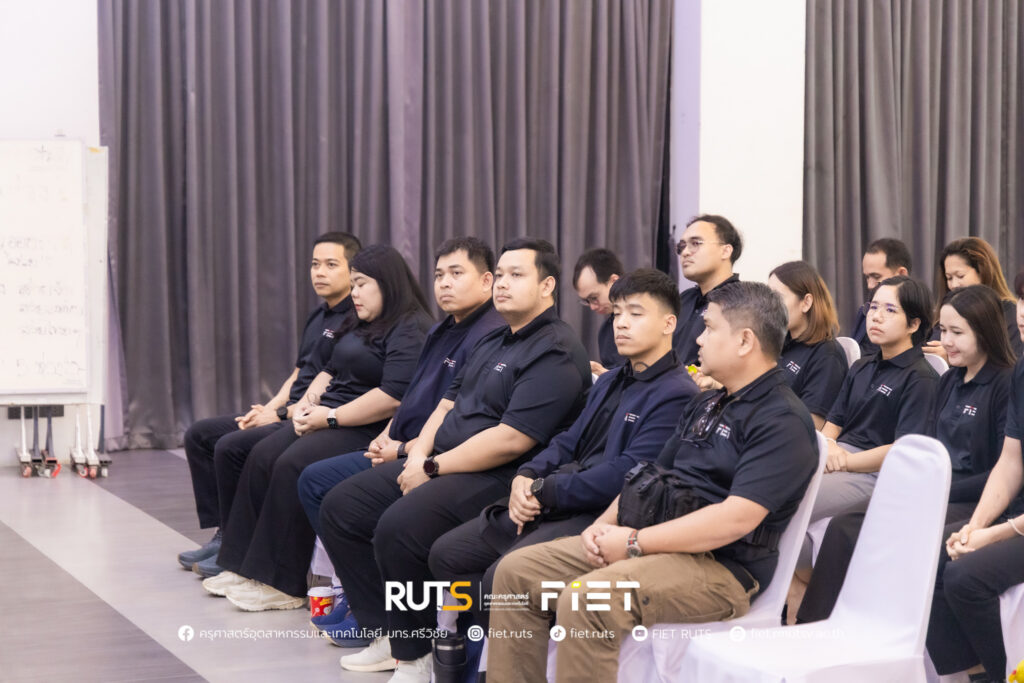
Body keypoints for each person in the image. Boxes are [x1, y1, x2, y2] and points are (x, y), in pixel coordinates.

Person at [487, 282, 819, 683]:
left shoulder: (782, 420)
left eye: (710, 328)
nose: (698, 339)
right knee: (516, 573)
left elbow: (736, 519)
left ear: (745, 341)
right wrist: (602, 528)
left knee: (588, 598)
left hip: (722, 568)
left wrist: (633, 542)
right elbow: (646, 473)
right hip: (653, 540)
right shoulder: (707, 402)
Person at [320, 238, 591, 682]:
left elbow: (511, 440)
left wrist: (431, 468)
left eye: (516, 275)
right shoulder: (494, 338)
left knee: (399, 526)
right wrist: (418, 454)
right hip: (442, 459)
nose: (503, 283)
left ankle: (417, 655)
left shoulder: (555, 349)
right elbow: (447, 403)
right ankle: (389, 631)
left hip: (499, 475)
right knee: (342, 505)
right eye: (500, 275)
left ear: (547, 286)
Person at [428, 269, 698, 638]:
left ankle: (520, 652)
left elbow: (627, 473)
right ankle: (487, 643)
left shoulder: (677, 393)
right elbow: (568, 439)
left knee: (500, 579)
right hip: (557, 497)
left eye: (635, 314)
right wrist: (526, 475)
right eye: (617, 313)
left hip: (600, 513)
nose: (621, 323)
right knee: (447, 554)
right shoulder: (611, 379)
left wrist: (545, 490)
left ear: (668, 323)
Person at [295, 237, 504, 642]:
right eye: (439, 275)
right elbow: (413, 399)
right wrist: (385, 437)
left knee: (335, 495)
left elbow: (458, 416)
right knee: (314, 479)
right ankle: (363, 599)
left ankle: (379, 620)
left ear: (486, 281)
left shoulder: (486, 334)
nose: (444, 283)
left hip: (438, 457)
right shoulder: (444, 328)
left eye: (456, 273)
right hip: (405, 444)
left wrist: (406, 450)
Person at [202, 245, 433, 610]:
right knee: (261, 453)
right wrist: (305, 406)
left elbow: (392, 397)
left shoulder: (410, 328)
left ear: (387, 283)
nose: (354, 293)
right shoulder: (361, 319)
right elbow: (329, 368)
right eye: (353, 285)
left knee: (292, 464)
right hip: (330, 414)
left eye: (361, 284)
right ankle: (244, 566)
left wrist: (330, 416)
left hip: (364, 425)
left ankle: (283, 583)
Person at [796, 284, 1018, 626]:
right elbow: (923, 448)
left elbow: (1001, 471)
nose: (946, 342)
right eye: (944, 330)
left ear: (985, 332)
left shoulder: (1003, 384)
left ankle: (880, 628)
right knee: (846, 525)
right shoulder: (951, 381)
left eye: (957, 333)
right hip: (932, 487)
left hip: (972, 496)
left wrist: (936, 488)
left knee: (898, 532)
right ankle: (816, 625)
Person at [177, 231, 361, 572]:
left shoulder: (356, 319)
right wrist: (269, 407)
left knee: (231, 447)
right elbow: (299, 371)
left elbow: (335, 383)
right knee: (200, 435)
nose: (319, 272)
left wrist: (280, 414)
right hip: (286, 409)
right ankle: (224, 533)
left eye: (331, 265)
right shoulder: (318, 316)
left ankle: (238, 545)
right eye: (315, 264)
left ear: (352, 271)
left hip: (308, 416)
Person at [786, 276, 939, 621]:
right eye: (873, 307)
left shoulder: (920, 378)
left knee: (789, 498)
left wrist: (843, 462)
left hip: (876, 473)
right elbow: (833, 424)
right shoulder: (862, 365)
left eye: (890, 310)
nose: (876, 317)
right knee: (773, 488)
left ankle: (806, 593)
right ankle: (802, 584)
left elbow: (903, 450)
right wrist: (829, 447)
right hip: (838, 458)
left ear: (914, 324)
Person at [926, 270, 1024, 683]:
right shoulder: (1022, 373)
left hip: (1015, 523)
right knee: (937, 553)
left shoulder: (1003, 378)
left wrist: (992, 533)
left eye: (957, 332)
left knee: (964, 576)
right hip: (1012, 515)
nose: (1023, 313)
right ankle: (967, 671)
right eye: (1022, 300)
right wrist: (976, 527)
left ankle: (1003, 674)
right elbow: (1011, 462)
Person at [767, 260, 848, 429]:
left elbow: (812, 425)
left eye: (778, 298)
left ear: (806, 302)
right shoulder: (780, 343)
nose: (769, 305)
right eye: (768, 297)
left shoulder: (827, 355)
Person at [924, 237, 1023, 361]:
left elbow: (1011, 360)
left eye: (960, 276)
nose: (954, 285)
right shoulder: (946, 312)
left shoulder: (1007, 312)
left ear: (983, 272)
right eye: (949, 278)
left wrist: (954, 356)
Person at [673, 214, 742, 366]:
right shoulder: (684, 299)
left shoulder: (741, 302)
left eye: (696, 243)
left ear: (725, 251)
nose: (685, 252)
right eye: (681, 246)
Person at [852, 238, 912, 355]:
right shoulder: (865, 311)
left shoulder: (914, 316)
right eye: (867, 277)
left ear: (901, 274)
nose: (869, 285)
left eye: (876, 277)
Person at [572, 248, 625, 375]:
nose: (592, 307)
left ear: (614, 282)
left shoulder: (646, 322)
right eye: (587, 301)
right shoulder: (605, 330)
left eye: (594, 298)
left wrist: (605, 375)